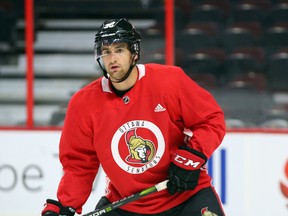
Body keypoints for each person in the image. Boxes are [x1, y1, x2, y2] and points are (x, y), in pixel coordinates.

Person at [41, 18, 226, 216]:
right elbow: (79, 164)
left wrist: (189, 159)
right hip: (126, 205)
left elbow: (211, 119)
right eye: (106, 52)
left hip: (185, 197)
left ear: (134, 53)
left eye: (119, 50)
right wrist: (64, 205)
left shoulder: (169, 81)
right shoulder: (83, 103)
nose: (112, 59)